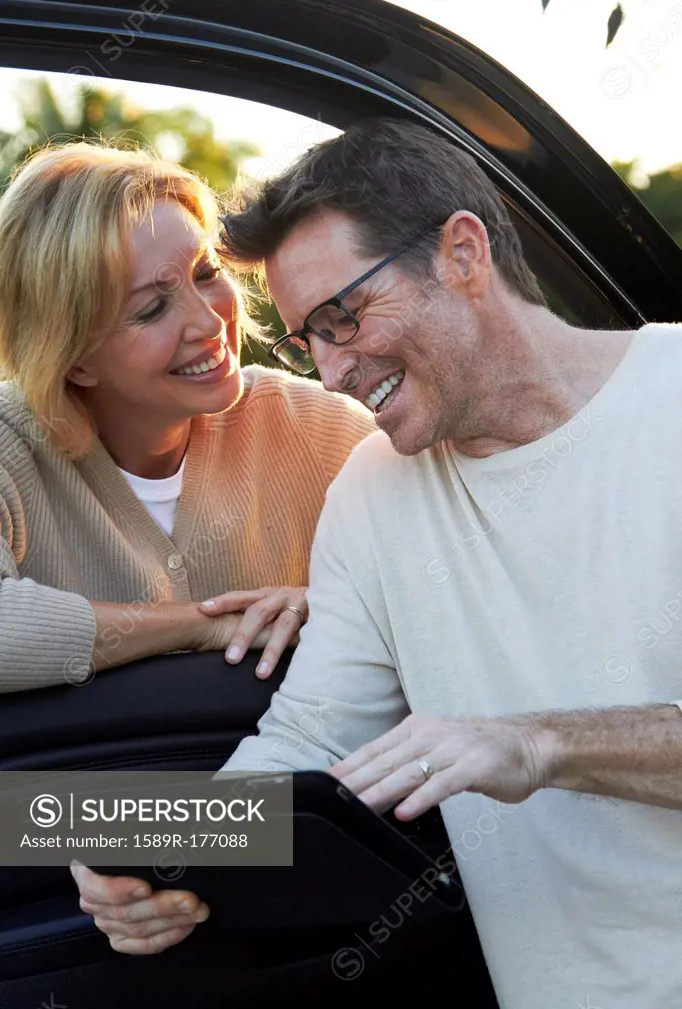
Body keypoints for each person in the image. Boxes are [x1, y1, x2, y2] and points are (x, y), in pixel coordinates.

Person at [72, 119, 681, 1009]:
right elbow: (311, 742)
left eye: (342, 317)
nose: (330, 371)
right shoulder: (373, 489)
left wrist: (536, 742)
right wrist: (151, 848)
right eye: (303, 342)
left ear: (462, 253)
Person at [0, 141, 374, 695]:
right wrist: (204, 625)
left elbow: (438, 585)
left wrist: (331, 607)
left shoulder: (321, 429)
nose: (209, 321)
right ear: (73, 359)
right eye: (152, 309)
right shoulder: (11, 448)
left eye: (205, 272)